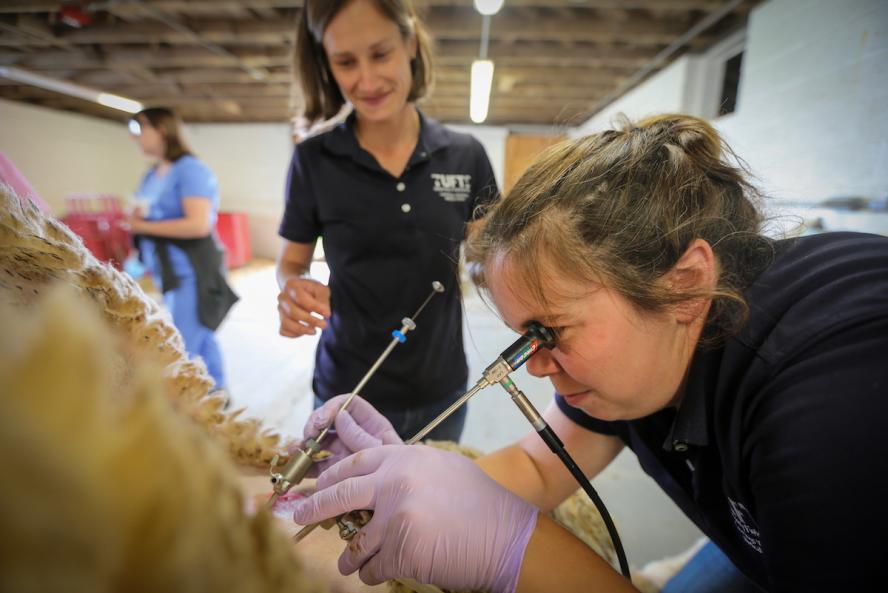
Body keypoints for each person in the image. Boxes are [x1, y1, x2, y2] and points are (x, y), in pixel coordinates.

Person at [290, 114, 888, 592]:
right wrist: (401, 482)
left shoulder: (830, 409)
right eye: (526, 336)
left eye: (549, 332)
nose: (537, 366)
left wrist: (514, 549)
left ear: (683, 284)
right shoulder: (648, 341)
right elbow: (536, 466)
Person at [277, 0, 499, 442]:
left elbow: (489, 257)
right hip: (348, 390)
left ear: (410, 44)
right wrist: (290, 288)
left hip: (441, 388)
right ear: (327, 65)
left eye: (380, 54)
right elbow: (291, 262)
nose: (367, 80)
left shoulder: (466, 154)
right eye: (346, 62)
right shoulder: (314, 160)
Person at [126, 107, 237, 394]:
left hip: (191, 271)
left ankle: (194, 401)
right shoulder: (152, 174)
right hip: (166, 270)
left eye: (140, 129)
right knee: (202, 333)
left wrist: (142, 226)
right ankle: (217, 391)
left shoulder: (191, 170)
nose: (134, 138)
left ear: (161, 129)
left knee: (182, 343)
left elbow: (198, 224)